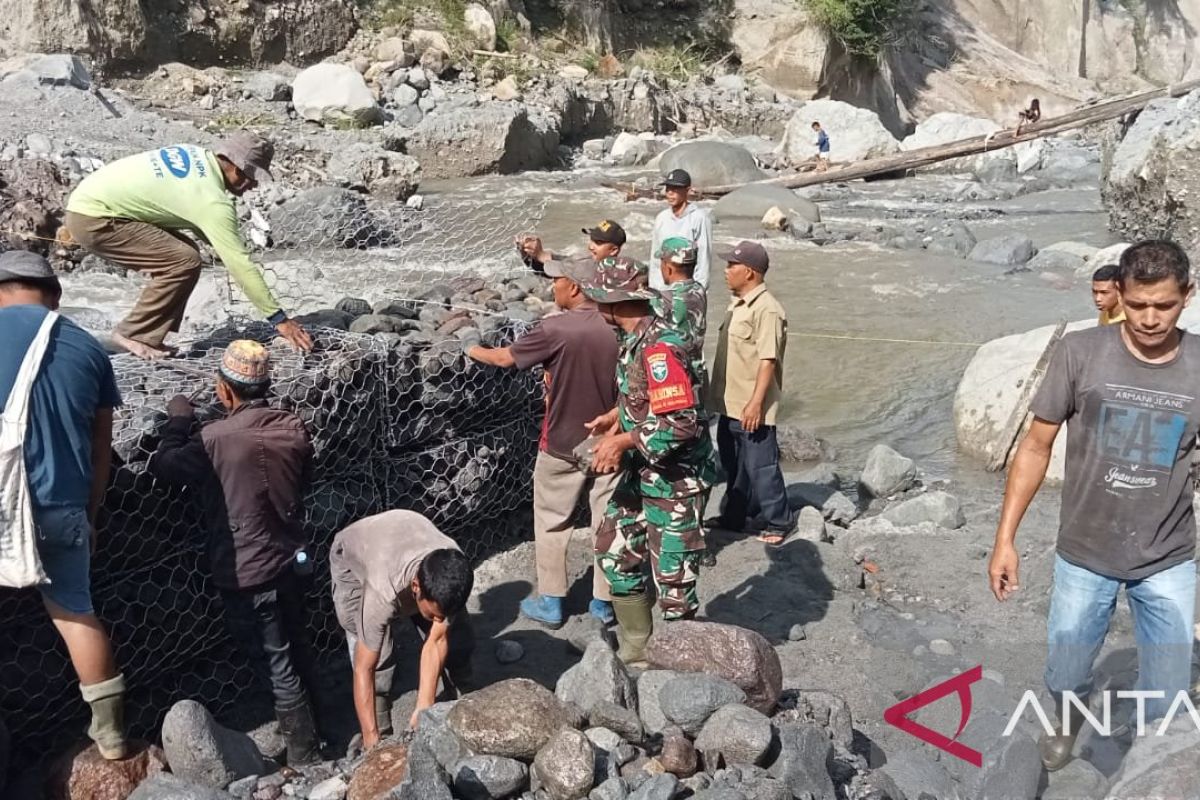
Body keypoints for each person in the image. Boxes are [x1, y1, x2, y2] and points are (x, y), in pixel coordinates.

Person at [988, 240, 1199, 771]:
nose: (1151, 319)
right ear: (1119, 297)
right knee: (1066, 671)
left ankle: (1148, 767)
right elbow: (1036, 445)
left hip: (1169, 556)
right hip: (1084, 550)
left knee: (1169, 696)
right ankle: (1067, 715)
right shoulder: (1080, 352)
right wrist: (1005, 540)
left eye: (1165, 306)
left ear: (1188, 297)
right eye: (1138, 304)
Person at [149, 340, 320, 764]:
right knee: (298, 646)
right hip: (292, 557)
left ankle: (305, 755)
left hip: (247, 571)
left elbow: (164, 466)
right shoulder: (293, 426)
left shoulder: (212, 439)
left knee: (276, 662)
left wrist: (177, 421)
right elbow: (306, 481)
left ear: (225, 390)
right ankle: (324, 724)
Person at [0, 250, 128, 759]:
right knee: (76, 612)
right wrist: (90, 514)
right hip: (64, 504)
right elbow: (101, 451)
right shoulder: (88, 348)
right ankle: (113, 738)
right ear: (55, 295)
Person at [465, 257, 621, 628]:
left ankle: (552, 602)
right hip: (610, 440)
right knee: (607, 522)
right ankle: (604, 603)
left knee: (552, 520)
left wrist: (471, 346)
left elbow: (504, 358)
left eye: (559, 282)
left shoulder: (555, 329)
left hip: (562, 440)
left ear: (576, 288)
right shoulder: (619, 326)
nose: (552, 287)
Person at [63, 132, 313, 360]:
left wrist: (227, 246)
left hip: (88, 201)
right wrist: (279, 320)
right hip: (94, 217)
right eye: (253, 177)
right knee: (183, 260)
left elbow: (197, 224)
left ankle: (148, 335)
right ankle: (134, 334)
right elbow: (238, 265)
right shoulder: (211, 201)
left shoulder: (195, 155)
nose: (254, 185)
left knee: (186, 255)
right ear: (238, 169)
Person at [582, 257, 717, 664]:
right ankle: (638, 648)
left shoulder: (659, 348)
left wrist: (622, 440)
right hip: (644, 473)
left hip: (676, 482)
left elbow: (680, 423)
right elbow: (647, 403)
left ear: (614, 303)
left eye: (598, 299)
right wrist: (615, 417)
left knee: (675, 587)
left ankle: (681, 670)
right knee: (614, 551)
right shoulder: (634, 341)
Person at [330, 510, 475, 748]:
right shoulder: (382, 592)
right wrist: (371, 741)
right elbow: (363, 668)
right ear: (416, 587)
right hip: (353, 559)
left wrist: (423, 708)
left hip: (406, 535)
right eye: (434, 613)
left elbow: (437, 640)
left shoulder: (453, 566)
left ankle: (462, 699)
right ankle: (380, 730)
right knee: (378, 656)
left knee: (458, 637)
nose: (438, 620)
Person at [707, 242, 795, 546]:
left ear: (750, 272)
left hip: (750, 404)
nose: (726, 270)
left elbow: (768, 359)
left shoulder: (767, 309)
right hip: (730, 402)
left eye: (732, 265)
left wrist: (756, 403)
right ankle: (734, 515)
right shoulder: (739, 303)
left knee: (761, 466)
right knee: (734, 465)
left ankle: (780, 521)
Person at [651, 236, 707, 378]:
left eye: (662, 263)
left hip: (675, 374)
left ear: (668, 268)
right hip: (696, 370)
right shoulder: (699, 291)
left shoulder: (665, 299)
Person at [649, 170, 712, 291]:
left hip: (688, 290)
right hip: (664, 290)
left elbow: (704, 261)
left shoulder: (699, 218)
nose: (670, 193)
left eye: (675, 189)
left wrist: (698, 293)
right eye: (668, 189)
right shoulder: (661, 218)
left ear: (687, 190)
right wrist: (655, 291)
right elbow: (655, 259)